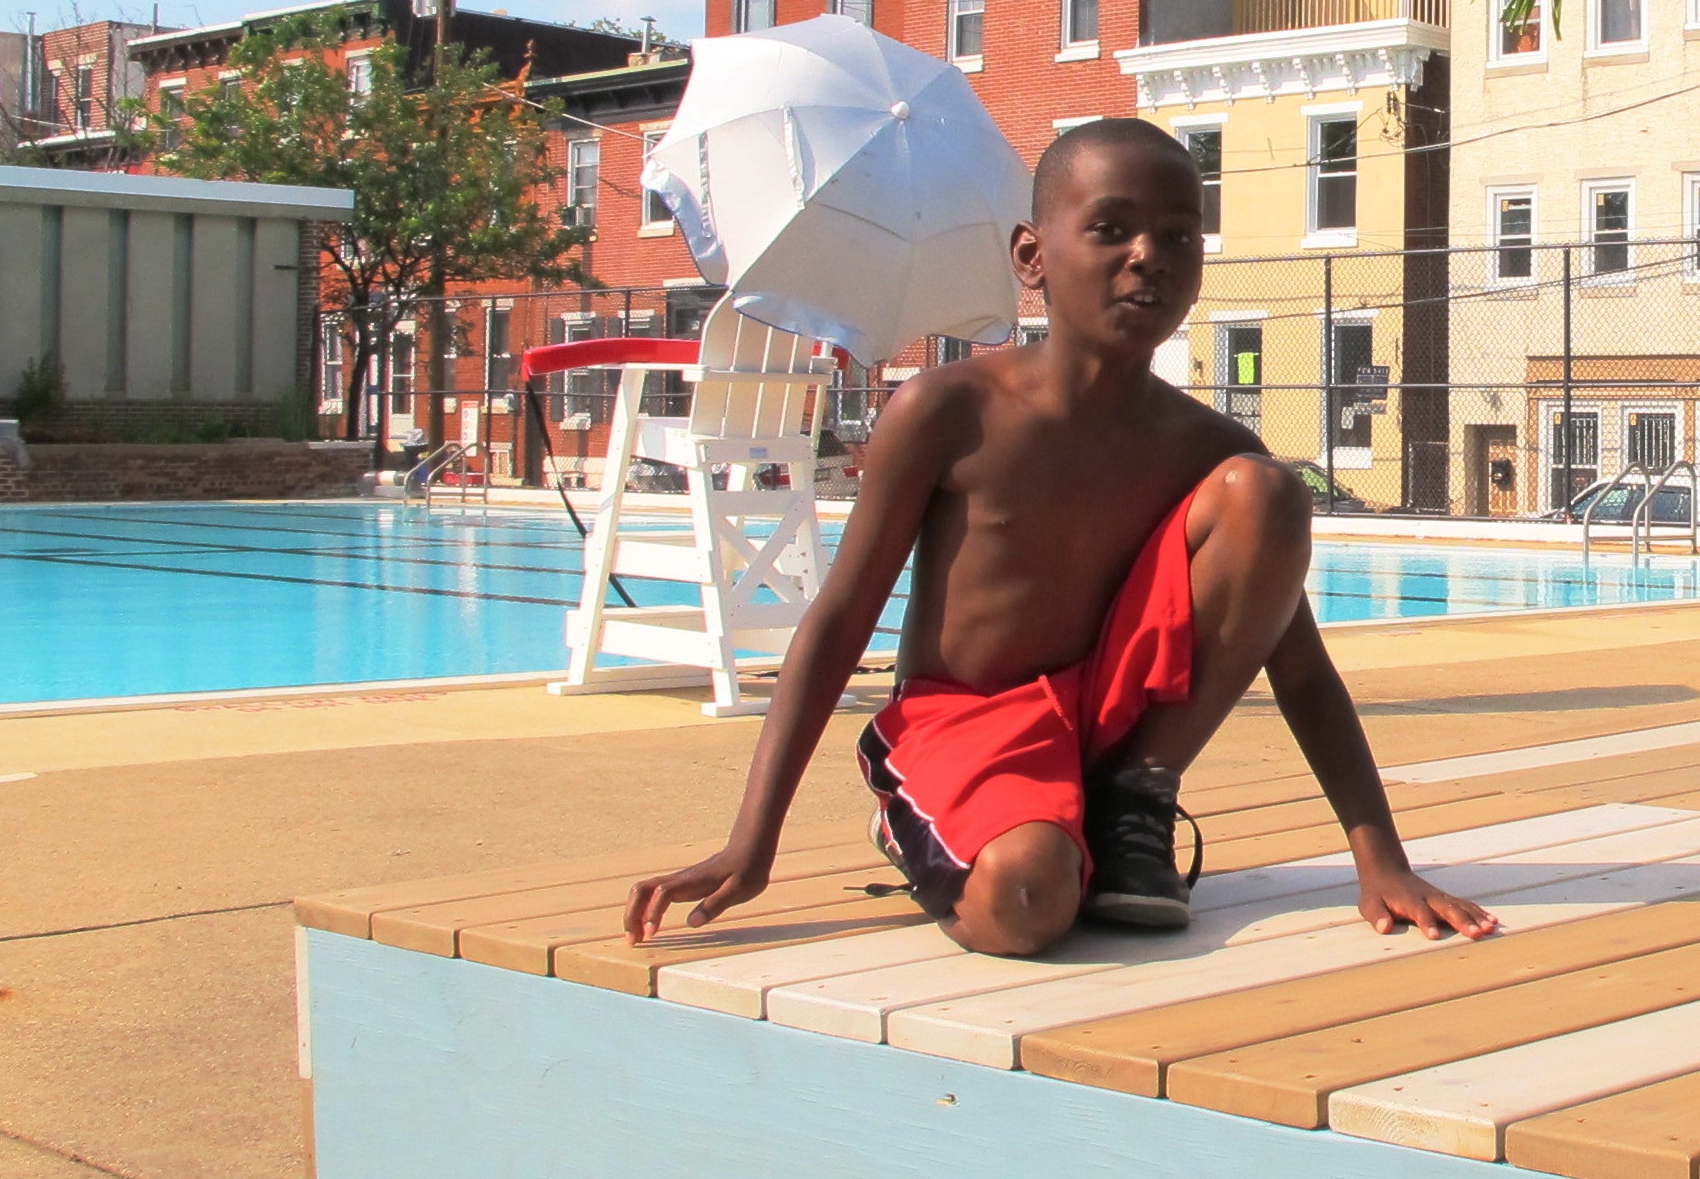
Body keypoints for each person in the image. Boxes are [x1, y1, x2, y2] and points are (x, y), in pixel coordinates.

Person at [627, 119, 1495, 956]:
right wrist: (754, 839)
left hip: (1109, 721)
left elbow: (1298, 666)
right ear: (1031, 256)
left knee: (1267, 493)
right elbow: (841, 617)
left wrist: (1381, 860)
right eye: (1110, 229)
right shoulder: (947, 410)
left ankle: (1134, 797)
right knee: (1028, 902)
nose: (1147, 255)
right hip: (965, 723)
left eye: (1178, 235)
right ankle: (935, 827)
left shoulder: (1210, 449)